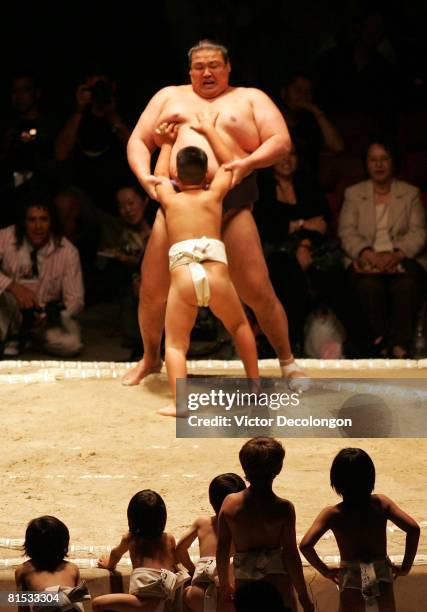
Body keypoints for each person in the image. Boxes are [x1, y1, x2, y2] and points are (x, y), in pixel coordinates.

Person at [123, 39, 307, 390]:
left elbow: (280, 141)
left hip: (231, 203)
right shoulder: (168, 96)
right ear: (189, 71)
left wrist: (249, 162)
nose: (207, 72)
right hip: (177, 204)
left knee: (257, 289)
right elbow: (137, 140)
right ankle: (150, 357)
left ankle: (287, 361)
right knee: (151, 290)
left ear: (228, 67)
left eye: (214, 65)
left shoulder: (250, 98)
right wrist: (145, 176)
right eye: (199, 67)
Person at [153, 118, 259, 416]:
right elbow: (232, 165)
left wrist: (166, 144)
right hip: (216, 276)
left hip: (184, 278)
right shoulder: (214, 196)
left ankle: (181, 404)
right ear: (206, 173)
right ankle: (255, 388)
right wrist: (210, 131)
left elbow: (160, 177)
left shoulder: (171, 201)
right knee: (239, 326)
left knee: (175, 344)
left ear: (177, 173)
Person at [300, 448, 420, 612]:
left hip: (351, 577)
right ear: (371, 477)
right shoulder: (381, 503)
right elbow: (413, 529)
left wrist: (326, 571)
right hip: (381, 575)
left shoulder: (333, 514)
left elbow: (306, 545)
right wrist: (405, 567)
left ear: (335, 481)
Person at [338, 139, 427, 357]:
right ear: (366, 163)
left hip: (402, 258)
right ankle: (377, 346)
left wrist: (397, 255)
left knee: (406, 286)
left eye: (384, 159)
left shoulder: (410, 193)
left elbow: (419, 232)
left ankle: (399, 347)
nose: (379, 165)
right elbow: (346, 231)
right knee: (369, 286)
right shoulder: (353, 193)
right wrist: (367, 253)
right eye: (373, 159)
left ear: (393, 162)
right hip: (365, 258)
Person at [255, 146, 344, 354]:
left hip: (312, 248)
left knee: (335, 275)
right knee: (287, 272)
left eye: (292, 154)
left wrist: (303, 243)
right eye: (281, 155)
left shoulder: (308, 185)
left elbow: (322, 224)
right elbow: (266, 227)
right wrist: (302, 224)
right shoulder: (262, 188)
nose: (287, 160)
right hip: (273, 251)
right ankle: (286, 345)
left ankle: (363, 346)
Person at [216, 437, 314, 612]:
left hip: (246, 587)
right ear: (279, 468)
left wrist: (224, 584)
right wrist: (303, 595)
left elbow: (222, 548)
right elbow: (291, 554)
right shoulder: (284, 509)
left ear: (244, 467)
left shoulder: (230, 504)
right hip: (278, 587)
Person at [0, 186, 84, 357]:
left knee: (72, 344)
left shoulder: (68, 251)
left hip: (45, 317)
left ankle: (30, 339)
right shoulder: (6, 236)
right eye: (32, 220)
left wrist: (50, 315)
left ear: (51, 221)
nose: (38, 226)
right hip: (9, 309)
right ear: (24, 222)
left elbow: (75, 298)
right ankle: (12, 336)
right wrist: (12, 286)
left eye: (44, 219)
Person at [92, 489, 189, 611]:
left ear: (132, 518)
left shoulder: (131, 538)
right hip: (168, 600)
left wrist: (109, 564)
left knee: (97, 603)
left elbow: (115, 554)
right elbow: (175, 562)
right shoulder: (168, 539)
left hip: (143, 604)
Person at [54, 68, 131, 215]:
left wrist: (112, 115)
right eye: (94, 89)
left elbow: (135, 148)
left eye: (103, 87)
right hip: (85, 196)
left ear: (113, 88)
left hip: (120, 190)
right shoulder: (76, 116)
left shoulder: (122, 111)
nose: (99, 93)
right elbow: (60, 154)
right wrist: (79, 110)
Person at [176, 473, 246, 612]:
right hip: (230, 598)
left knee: (185, 593)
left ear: (211, 500)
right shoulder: (245, 527)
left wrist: (193, 569)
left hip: (198, 597)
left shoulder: (202, 523)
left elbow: (179, 549)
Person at [15, 515, 90, 611]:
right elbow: (78, 601)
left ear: (29, 544)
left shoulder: (22, 570)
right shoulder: (72, 568)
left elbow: (23, 608)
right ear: (64, 543)